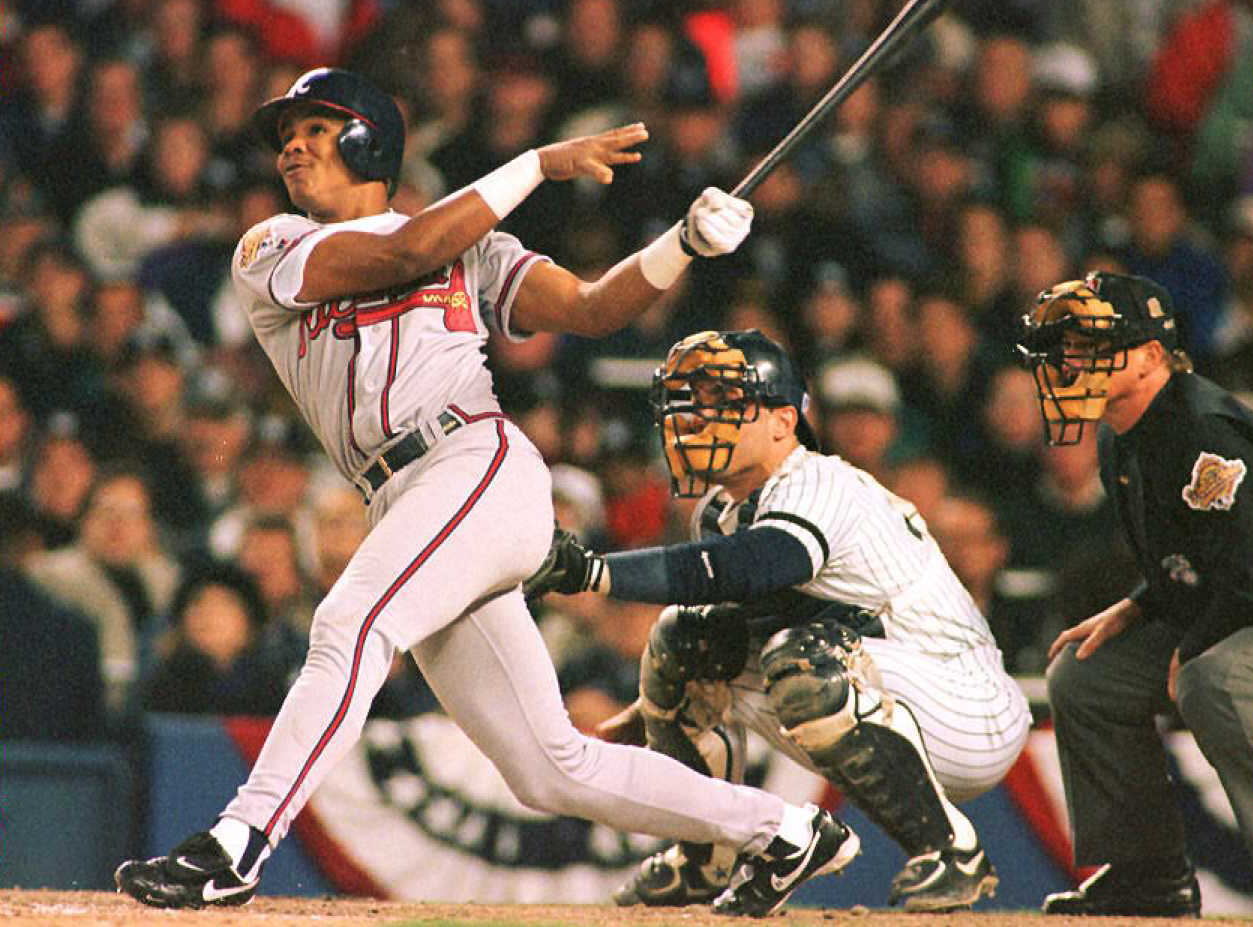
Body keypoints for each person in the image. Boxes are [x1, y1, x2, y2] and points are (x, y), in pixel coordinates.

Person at [113, 66, 853, 916]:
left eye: (315, 127)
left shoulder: (470, 243)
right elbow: (404, 251)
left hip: (475, 464)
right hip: (402, 494)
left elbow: (590, 307)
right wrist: (536, 162)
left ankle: (237, 842)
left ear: (369, 140)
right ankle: (786, 829)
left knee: (351, 623)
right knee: (548, 768)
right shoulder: (272, 245)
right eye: (286, 134)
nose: (292, 145)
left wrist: (679, 245)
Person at [524, 329, 1032, 911]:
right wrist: (657, 706)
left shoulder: (817, 481)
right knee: (684, 639)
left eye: (723, 402)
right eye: (690, 401)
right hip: (882, 687)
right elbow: (732, 608)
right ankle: (706, 855)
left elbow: (757, 563)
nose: (696, 418)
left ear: (783, 420)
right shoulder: (722, 512)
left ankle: (952, 851)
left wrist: (594, 572)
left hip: (965, 703)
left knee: (804, 657)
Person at [1016, 270, 1253, 915]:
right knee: (1085, 674)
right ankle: (1149, 875)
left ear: (1153, 355)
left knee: (1213, 680)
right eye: (1070, 345)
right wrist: (1136, 606)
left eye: (1093, 345)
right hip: (1232, 606)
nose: (1073, 360)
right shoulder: (1125, 433)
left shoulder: (1204, 431)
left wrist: (1193, 646)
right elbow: (1194, 559)